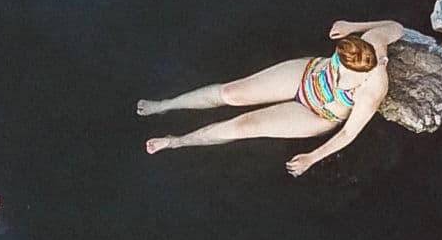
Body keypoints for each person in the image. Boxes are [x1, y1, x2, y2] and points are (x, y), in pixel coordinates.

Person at [138, 19, 405, 176]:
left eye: (345, 73)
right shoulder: (371, 41)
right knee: (232, 93)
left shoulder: (373, 88)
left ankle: (177, 142)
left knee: (243, 126)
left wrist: (312, 157)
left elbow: (348, 133)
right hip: (306, 75)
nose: (337, 73)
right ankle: (166, 105)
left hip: (318, 113)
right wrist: (352, 26)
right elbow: (397, 27)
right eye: (337, 63)